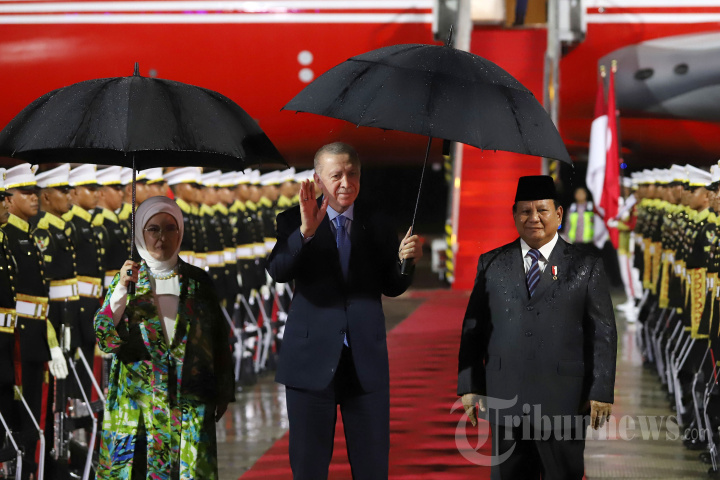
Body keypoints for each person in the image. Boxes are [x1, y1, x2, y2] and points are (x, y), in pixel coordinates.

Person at [267, 141, 423, 480]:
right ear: (317, 179)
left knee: (372, 469)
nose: (346, 183)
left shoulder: (377, 221)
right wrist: (305, 232)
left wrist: (406, 262)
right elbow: (278, 270)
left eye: (353, 174)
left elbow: (391, 285)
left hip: (364, 362)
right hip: (310, 364)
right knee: (308, 469)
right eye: (336, 175)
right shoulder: (293, 219)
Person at [457, 175, 617, 480]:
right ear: (514, 214)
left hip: (566, 401)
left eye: (542, 210)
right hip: (506, 397)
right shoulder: (492, 264)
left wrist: (601, 389)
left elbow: (603, 332)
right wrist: (469, 384)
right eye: (525, 211)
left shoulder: (585, 265)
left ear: (558, 213)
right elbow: (473, 328)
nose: (534, 218)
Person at [93, 196, 235, 479]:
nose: (162, 238)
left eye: (170, 228)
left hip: (189, 399)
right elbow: (105, 338)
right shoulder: (127, 281)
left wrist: (223, 390)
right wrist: (120, 292)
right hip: (138, 403)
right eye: (153, 229)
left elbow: (219, 338)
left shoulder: (198, 281)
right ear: (140, 234)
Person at [3, 163, 68, 480]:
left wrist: (51, 339)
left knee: (35, 414)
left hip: (35, 336)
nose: (33, 197)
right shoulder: (9, 237)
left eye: (34, 192)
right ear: (10, 198)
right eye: (25, 192)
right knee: (20, 415)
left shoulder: (28, 236)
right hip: (18, 339)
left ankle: (35, 469)